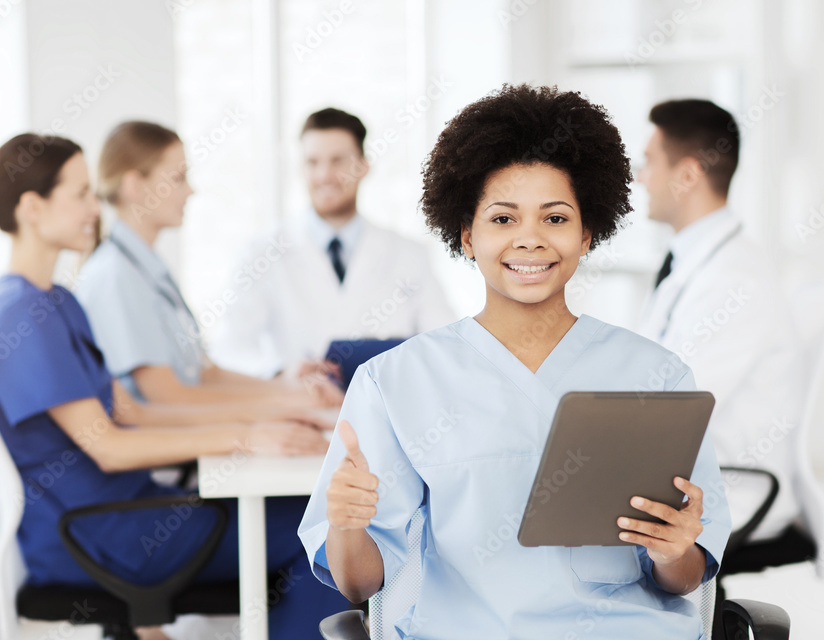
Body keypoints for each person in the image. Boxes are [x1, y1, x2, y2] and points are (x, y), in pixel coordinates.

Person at [298, 85, 731, 639]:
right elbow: (360, 585)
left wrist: (675, 552)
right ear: (466, 234)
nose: (529, 239)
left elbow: (686, 578)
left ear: (587, 232)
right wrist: (347, 524)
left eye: (555, 218)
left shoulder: (657, 375)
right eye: (503, 219)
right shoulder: (395, 383)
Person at [0, 133, 348, 638]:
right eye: (79, 194)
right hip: (105, 535)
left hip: (125, 515)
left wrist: (261, 419)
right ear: (33, 207)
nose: (93, 206)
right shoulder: (19, 315)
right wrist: (245, 437)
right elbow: (109, 449)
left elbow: (133, 412)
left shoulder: (56, 301)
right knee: (329, 523)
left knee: (321, 512)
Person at [74, 121, 340, 417]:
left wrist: (289, 387)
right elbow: (166, 396)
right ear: (135, 185)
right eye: (178, 178)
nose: (190, 190)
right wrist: (286, 404)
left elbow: (206, 374)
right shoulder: (116, 277)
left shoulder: (148, 270)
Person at [636, 99, 806, 542]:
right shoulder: (695, 261)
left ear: (689, 174)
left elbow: (674, 407)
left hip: (734, 489)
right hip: (694, 476)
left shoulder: (733, 279)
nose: (639, 176)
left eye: (649, 161)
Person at [209, 107, 456, 378]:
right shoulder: (261, 253)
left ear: (363, 166)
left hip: (388, 410)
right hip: (298, 411)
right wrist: (281, 372)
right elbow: (230, 350)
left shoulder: (409, 255)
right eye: (313, 162)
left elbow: (443, 343)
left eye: (338, 161)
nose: (325, 175)